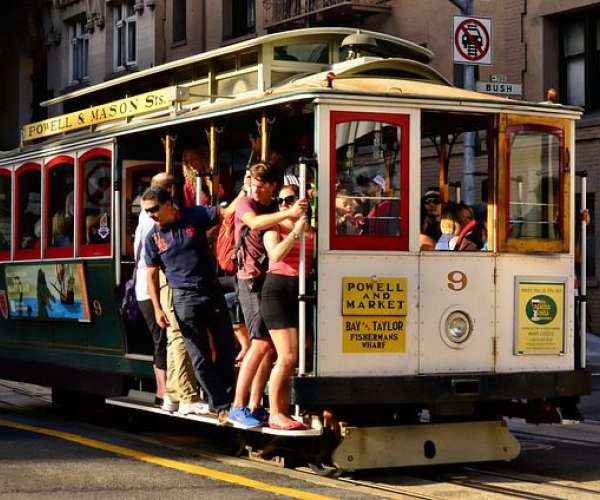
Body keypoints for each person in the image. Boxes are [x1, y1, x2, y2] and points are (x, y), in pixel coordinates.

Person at [228, 161, 308, 428]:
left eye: (259, 185)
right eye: (251, 182)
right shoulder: (248, 205)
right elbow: (257, 224)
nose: (252, 188)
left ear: (271, 187)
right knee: (259, 343)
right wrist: (292, 219)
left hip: (268, 281)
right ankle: (238, 405)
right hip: (251, 280)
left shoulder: (273, 207)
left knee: (272, 347)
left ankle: (255, 405)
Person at [142, 186, 236, 414]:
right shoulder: (153, 237)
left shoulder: (193, 215)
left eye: (153, 209)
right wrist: (157, 308)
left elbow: (226, 212)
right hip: (183, 297)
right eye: (146, 211)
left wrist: (245, 190)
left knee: (226, 347)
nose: (150, 215)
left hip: (211, 291)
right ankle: (220, 404)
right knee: (198, 354)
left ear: (168, 204)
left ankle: (226, 395)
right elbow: (151, 274)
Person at [148, 172, 204, 415]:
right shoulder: (159, 223)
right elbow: (150, 269)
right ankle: (187, 397)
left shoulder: (157, 218)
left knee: (174, 339)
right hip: (170, 282)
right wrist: (158, 306)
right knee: (180, 337)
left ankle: (171, 394)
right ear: (170, 193)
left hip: (166, 283)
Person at [261, 185, 314, 430]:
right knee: (287, 356)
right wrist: (295, 232)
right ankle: (275, 413)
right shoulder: (274, 228)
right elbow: (275, 255)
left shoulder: (313, 231)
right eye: (281, 201)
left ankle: (297, 407)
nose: (285, 205)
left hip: (302, 292)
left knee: (303, 353)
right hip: (278, 291)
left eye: (290, 200)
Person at [134, 194, 167, 406]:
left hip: (150, 289)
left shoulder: (147, 220)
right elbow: (151, 270)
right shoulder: (151, 224)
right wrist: (157, 307)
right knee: (161, 337)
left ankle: (163, 391)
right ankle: (162, 392)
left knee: (161, 337)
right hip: (149, 290)